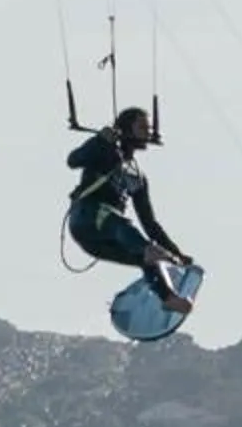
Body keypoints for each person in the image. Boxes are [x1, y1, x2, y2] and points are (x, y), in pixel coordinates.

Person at [67, 106, 193, 316]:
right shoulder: (105, 150)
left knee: (144, 257)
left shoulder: (137, 177)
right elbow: (73, 161)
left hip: (101, 242)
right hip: (86, 218)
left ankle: (169, 298)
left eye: (148, 127)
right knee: (121, 224)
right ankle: (147, 250)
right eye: (142, 126)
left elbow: (150, 224)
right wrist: (98, 140)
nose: (148, 131)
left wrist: (177, 253)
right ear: (126, 128)